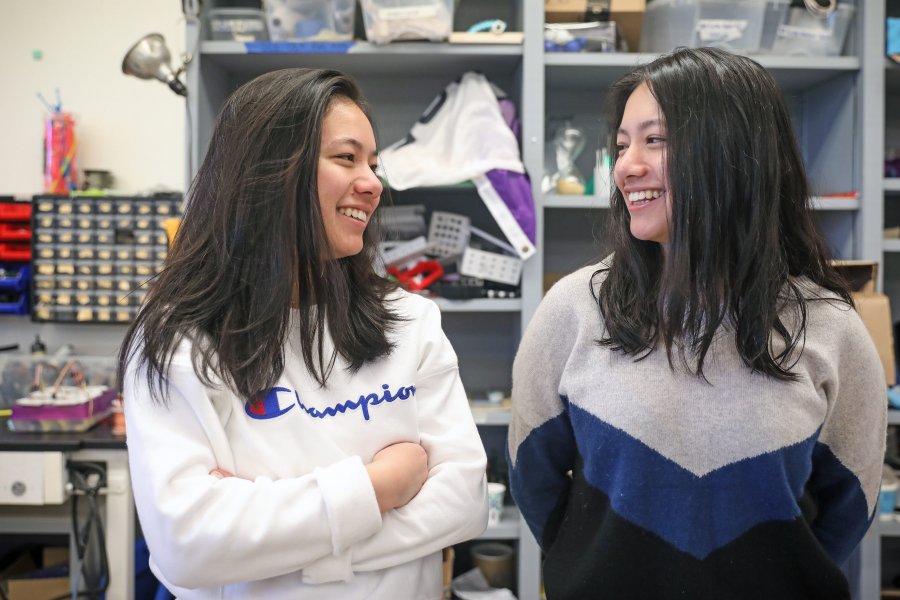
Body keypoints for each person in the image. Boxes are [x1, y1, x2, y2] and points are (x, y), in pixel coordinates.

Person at [507, 47, 886, 599]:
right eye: (622, 144)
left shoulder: (829, 326)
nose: (626, 166)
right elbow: (533, 479)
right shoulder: (574, 309)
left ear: (734, 152)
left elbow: (850, 503)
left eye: (654, 140)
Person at [118, 67, 488, 600]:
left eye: (373, 163)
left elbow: (466, 499)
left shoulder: (410, 320)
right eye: (346, 158)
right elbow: (186, 542)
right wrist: (379, 486)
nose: (374, 183)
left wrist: (271, 557)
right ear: (270, 171)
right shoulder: (181, 340)